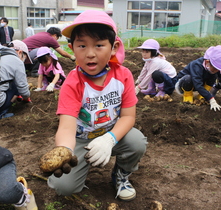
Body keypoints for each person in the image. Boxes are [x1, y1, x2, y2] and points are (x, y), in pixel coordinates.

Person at [46, 10, 147, 201]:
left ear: (114, 47)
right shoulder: (72, 83)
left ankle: (121, 174)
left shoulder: (123, 76)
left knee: (136, 142)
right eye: (82, 46)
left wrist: (109, 139)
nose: (90, 54)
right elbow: (66, 127)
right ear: (71, 48)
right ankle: (79, 171)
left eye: (99, 45)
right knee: (64, 187)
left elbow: (128, 117)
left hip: (112, 132)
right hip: (81, 140)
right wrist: (65, 150)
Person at [175, 45, 221, 111]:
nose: (217, 70)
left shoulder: (214, 68)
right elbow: (197, 84)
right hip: (183, 84)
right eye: (215, 68)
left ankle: (202, 96)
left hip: (199, 83)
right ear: (207, 62)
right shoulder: (196, 65)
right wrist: (211, 99)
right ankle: (188, 97)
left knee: (213, 75)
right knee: (188, 78)